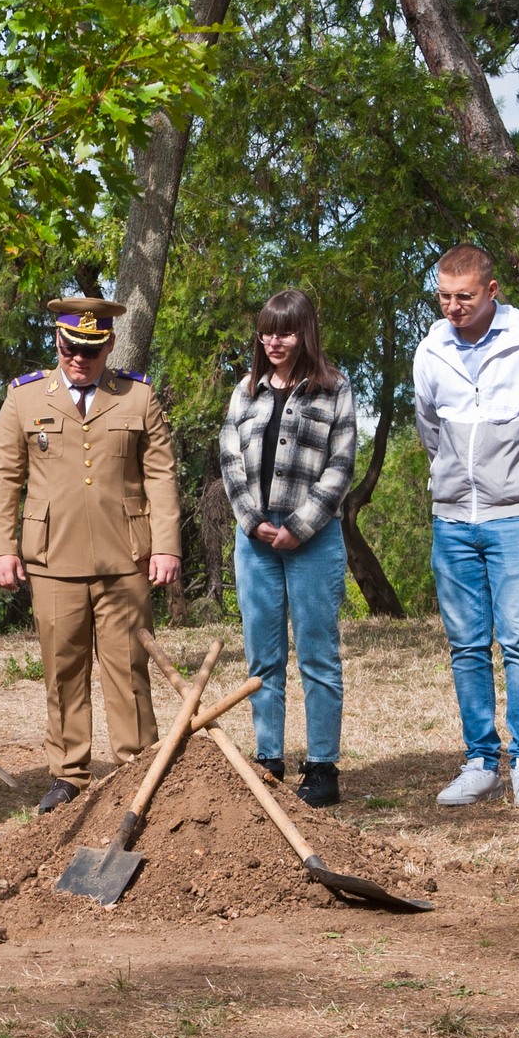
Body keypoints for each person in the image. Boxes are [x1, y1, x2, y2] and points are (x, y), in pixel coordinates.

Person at [0, 298, 182, 814]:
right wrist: (2, 549)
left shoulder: (137, 396)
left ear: (110, 344)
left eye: (92, 349)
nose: (80, 359)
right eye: (72, 347)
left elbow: (161, 473)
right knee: (63, 667)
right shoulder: (25, 398)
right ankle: (68, 774)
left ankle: (137, 766)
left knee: (128, 667)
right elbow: (5, 477)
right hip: (53, 557)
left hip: (126, 557)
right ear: (57, 341)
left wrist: (165, 544)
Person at [414, 245, 519, 810]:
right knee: (466, 645)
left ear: (492, 291)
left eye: (464, 296)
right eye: (443, 296)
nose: (452, 308)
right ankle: (481, 762)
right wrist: (455, 487)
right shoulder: (430, 349)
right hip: (454, 519)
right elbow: (430, 430)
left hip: (518, 514)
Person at [217, 290, 356, 808]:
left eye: (286, 331)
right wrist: (253, 522)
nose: (275, 341)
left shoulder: (335, 389)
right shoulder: (245, 391)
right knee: (262, 656)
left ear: (306, 333)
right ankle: (268, 758)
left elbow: (341, 467)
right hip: (254, 540)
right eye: (267, 332)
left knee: (318, 654)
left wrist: (299, 526)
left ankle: (322, 766)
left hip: (313, 540)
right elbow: (230, 460)